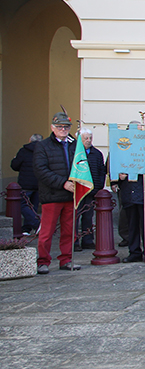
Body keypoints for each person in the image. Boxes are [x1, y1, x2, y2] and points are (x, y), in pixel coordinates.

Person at [33, 111, 82, 273]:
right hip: (52, 195)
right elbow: (41, 170)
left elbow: (81, 165)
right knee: (47, 232)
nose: (63, 129)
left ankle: (66, 259)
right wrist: (63, 183)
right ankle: (43, 261)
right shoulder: (43, 146)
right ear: (53, 128)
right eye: (60, 126)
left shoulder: (75, 144)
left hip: (70, 195)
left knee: (69, 231)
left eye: (66, 126)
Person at [75, 129, 106, 250]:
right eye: (85, 138)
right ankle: (74, 241)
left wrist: (98, 188)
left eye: (90, 138)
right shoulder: (74, 153)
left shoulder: (96, 153)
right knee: (75, 217)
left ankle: (87, 239)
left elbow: (101, 172)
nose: (88, 140)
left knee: (88, 217)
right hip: (77, 190)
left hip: (91, 191)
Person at [11, 133, 43, 235]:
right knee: (33, 207)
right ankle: (26, 229)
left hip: (25, 184)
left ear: (30, 140)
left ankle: (37, 224)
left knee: (22, 205)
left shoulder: (23, 151)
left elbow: (15, 166)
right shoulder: (43, 151)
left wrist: (15, 158)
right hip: (39, 183)